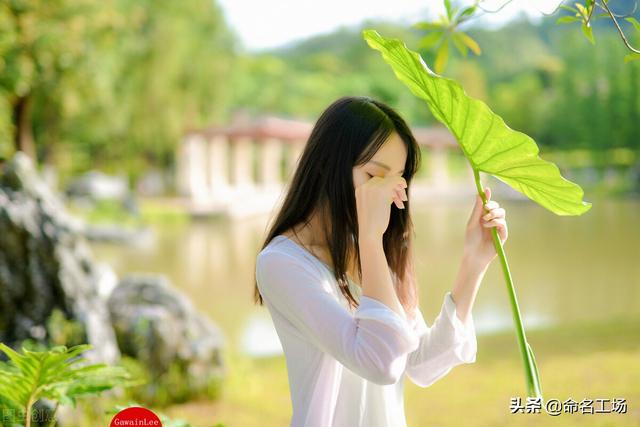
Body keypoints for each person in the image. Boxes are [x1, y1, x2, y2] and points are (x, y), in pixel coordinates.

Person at [253, 96, 508, 427]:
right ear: (327, 166)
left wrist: (474, 261)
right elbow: (380, 362)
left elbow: (418, 362)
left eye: (398, 178)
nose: (389, 190)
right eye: (375, 175)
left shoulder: (368, 250)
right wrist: (371, 240)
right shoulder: (282, 264)